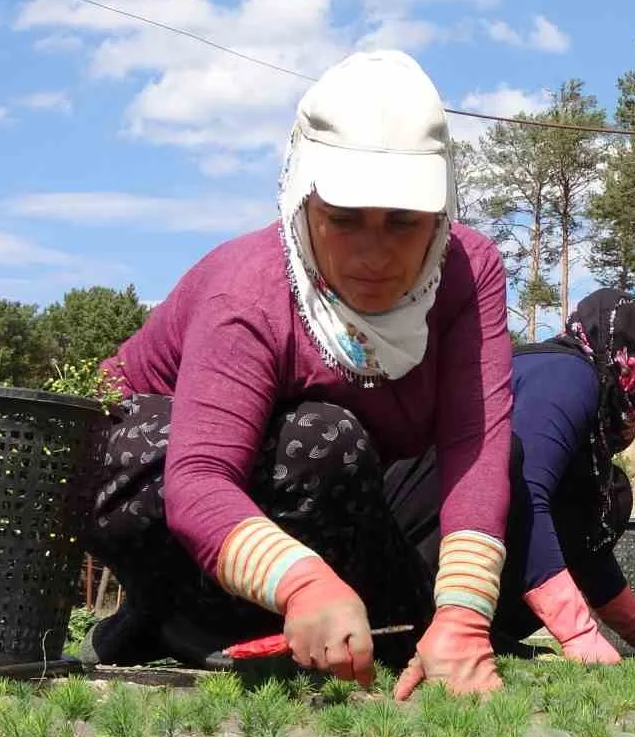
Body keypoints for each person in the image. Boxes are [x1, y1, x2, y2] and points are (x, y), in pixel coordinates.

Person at [79, 50, 513, 700]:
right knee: (322, 437)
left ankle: (331, 621)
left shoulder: (466, 274)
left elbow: (474, 449)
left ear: (442, 212)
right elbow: (196, 481)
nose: (375, 255)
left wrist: (463, 616)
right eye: (344, 219)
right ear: (302, 196)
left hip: (335, 501)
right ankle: (180, 620)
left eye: (403, 222)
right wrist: (302, 582)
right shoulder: (247, 293)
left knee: (347, 452)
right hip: (155, 481)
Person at [383, 289, 635, 662]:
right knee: (509, 463)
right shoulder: (569, 376)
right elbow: (526, 492)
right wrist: (578, 634)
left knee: (611, 495)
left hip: (444, 538)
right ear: (634, 364)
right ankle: (418, 622)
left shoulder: (586, 389)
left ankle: (484, 630)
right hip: (399, 547)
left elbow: (586, 540)